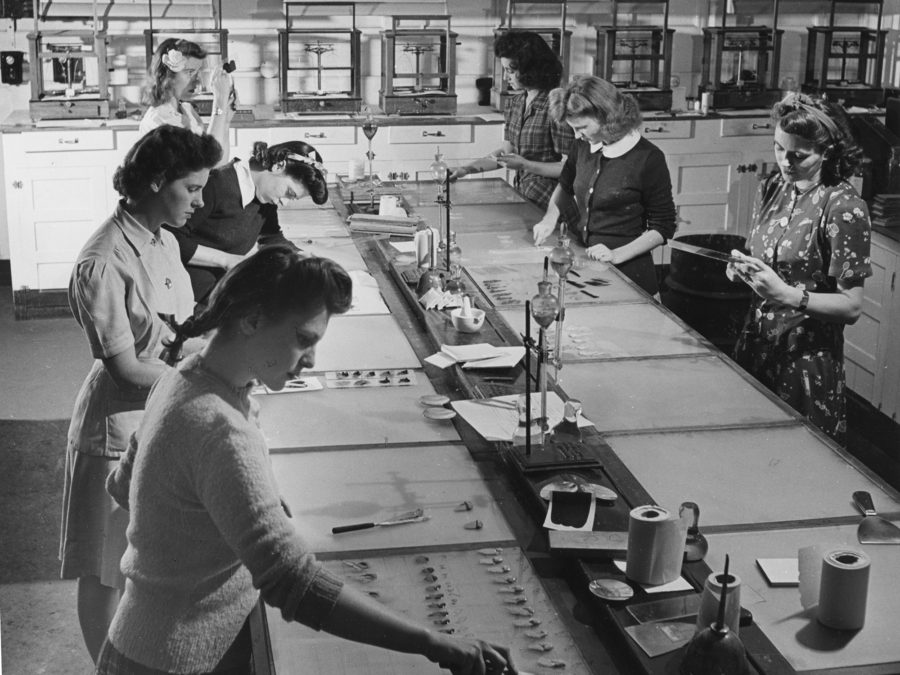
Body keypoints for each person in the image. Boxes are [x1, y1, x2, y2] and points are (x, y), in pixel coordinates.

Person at [99, 247, 516, 675]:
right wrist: (434, 642)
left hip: (139, 643)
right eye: (304, 339)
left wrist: (230, 507)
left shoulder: (182, 377)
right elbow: (293, 582)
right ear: (252, 320)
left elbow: (124, 485)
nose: (312, 360)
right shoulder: (222, 431)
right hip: (175, 660)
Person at [61, 126, 222, 663]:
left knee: (144, 559)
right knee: (107, 568)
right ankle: (106, 669)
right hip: (117, 427)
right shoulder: (103, 261)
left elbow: (170, 332)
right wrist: (208, 376)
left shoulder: (163, 240)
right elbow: (128, 369)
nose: (200, 201)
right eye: (193, 189)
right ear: (156, 182)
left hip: (161, 415)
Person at [727, 93, 871, 444]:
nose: (785, 162)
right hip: (755, 347)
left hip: (804, 361)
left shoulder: (843, 208)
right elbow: (765, 256)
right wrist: (743, 268)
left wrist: (786, 294)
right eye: (779, 148)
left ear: (828, 151)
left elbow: (851, 307)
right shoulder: (774, 187)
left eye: (798, 154)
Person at [533, 75, 677, 296]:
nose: (576, 135)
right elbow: (565, 185)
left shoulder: (648, 158)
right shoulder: (582, 145)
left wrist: (616, 254)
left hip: (631, 274)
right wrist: (549, 219)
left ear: (607, 117)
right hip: (589, 266)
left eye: (581, 127)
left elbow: (663, 226)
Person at [167, 140, 329, 303]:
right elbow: (167, 237)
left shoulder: (264, 196)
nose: (284, 202)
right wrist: (226, 259)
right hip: (182, 293)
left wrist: (300, 257)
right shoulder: (216, 184)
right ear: (278, 166)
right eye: (289, 193)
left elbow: (270, 235)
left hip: (221, 288)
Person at [451, 31, 574, 212]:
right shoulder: (515, 103)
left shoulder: (557, 105)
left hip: (552, 203)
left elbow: (570, 168)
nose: (505, 76)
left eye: (511, 70)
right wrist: (466, 169)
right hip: (524, 196)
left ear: (531, 69)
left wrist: (526, 165)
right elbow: (506, 153)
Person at [140, 38, 234, 164]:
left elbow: (219, 163)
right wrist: (219, 103)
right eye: (190, 72)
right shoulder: (158, 120)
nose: (198, 80)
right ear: (168, 76)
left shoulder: (187, 111)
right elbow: (205, 164)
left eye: (198, 72)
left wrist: (225, 121)